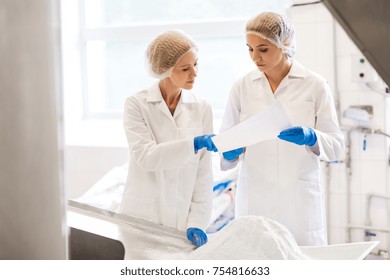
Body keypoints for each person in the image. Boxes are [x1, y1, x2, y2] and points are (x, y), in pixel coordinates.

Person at [220, 12, 345, 246]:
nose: (255, 58)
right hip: (255, 197)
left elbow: (337, 147)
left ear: (285, 43)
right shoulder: (242, 87)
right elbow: (227, 141)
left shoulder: (315, 85)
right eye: (249, 49)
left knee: (301, 264)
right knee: (257, 260)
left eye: (263, 49)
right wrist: (228, 153)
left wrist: (312, 137)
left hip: (298, 200)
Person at [119, 30, 218, 248]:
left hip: (182, 222)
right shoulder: (137, 105)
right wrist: (192, 145)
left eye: (196, 64)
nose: (195, 73)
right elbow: (146, 157)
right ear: (164, 70)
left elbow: (203, 172)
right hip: (142, 217)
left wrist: (198, 222)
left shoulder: (202, 108)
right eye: (185, 68)